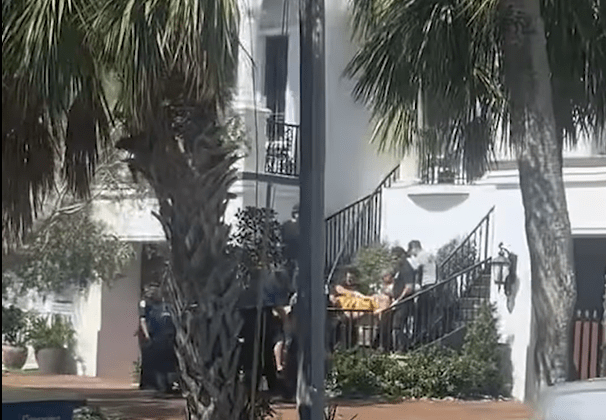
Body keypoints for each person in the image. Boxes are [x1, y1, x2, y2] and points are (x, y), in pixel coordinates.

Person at [136, 282, 178, 393]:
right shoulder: (146, 304)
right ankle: (157, 386)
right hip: (154, 336)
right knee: (155, 362)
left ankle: (168, 385)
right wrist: (147, 335)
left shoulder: (166, 305)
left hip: (167, 336)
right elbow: (143, 320)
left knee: (167, 361)